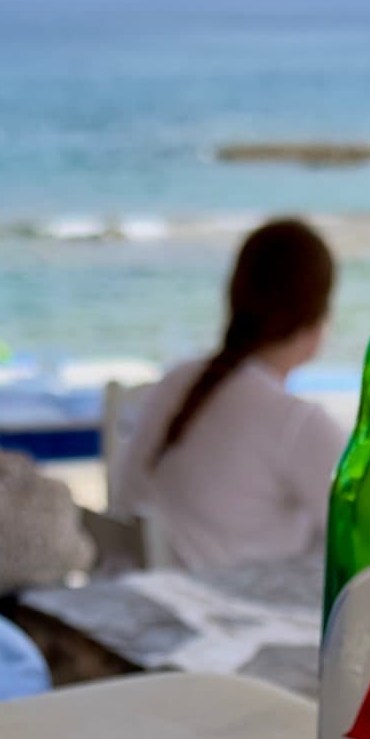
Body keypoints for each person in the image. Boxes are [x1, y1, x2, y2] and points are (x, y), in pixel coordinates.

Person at [119, 218, 343, 570]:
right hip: (215, 608)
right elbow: (365, 530)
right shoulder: (293, 421)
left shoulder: (179, 378)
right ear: (318, 317)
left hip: (141, 589)